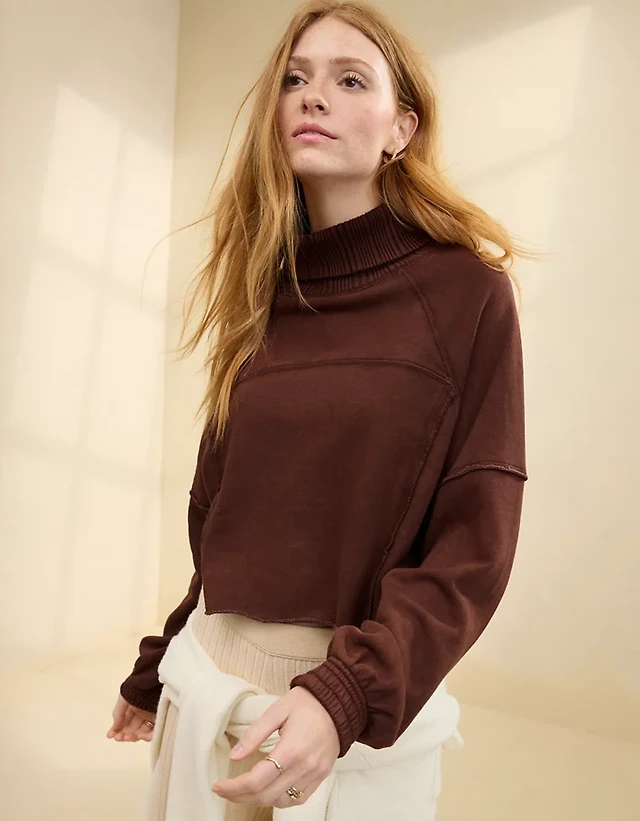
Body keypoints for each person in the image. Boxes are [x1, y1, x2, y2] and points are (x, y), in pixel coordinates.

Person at [106, 1, 529, 818]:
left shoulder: (469, 294)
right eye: (295, 79)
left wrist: (344, 695)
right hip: (206, 685)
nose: (313, 95)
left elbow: (475, 545)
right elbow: (229, 516)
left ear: (401, 129)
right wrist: (159, 661)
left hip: (346, 712)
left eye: (350, 79)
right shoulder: (259, 296)